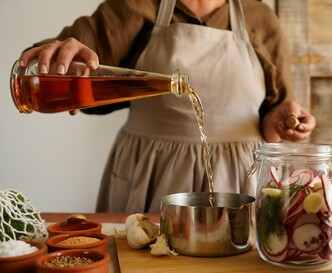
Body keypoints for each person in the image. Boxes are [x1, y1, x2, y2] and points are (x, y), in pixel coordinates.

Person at [18, 0, 316, 213]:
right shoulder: (132, 7)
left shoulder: (260, 17)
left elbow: (272, 118)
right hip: (149, 177)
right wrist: (54, 54)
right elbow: (53, 59)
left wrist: (283, 120)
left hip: (241, 182)